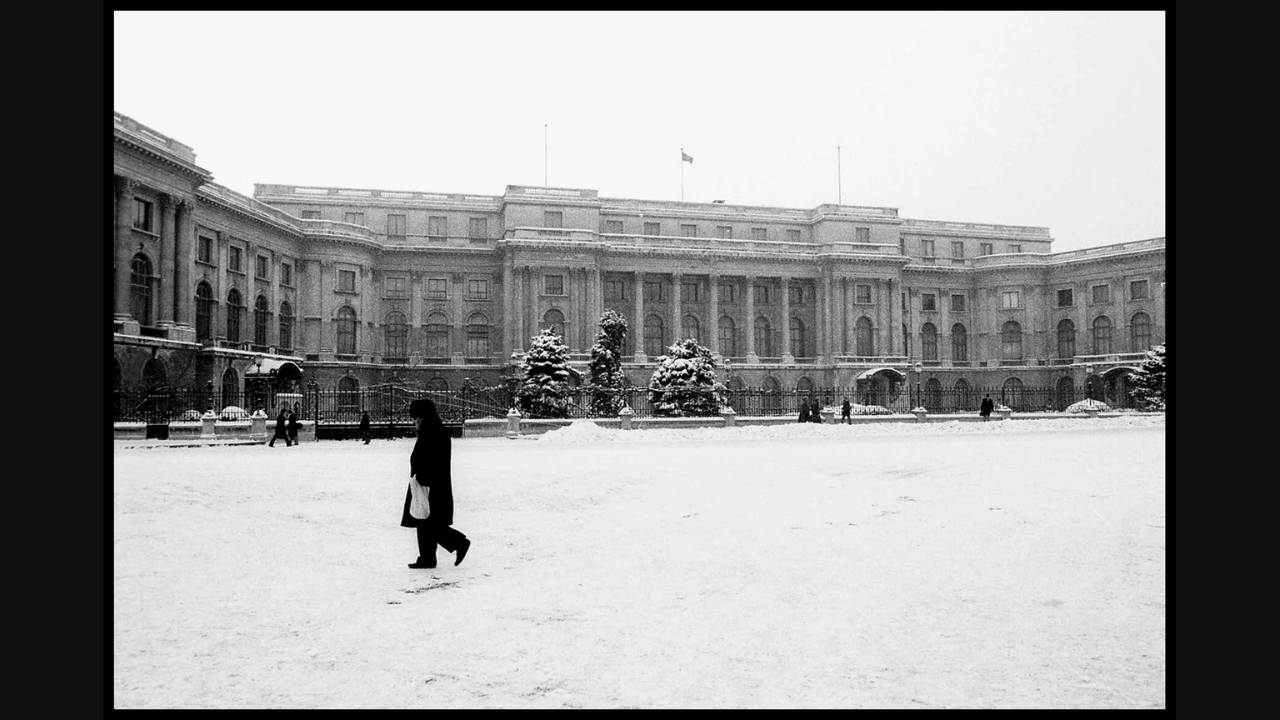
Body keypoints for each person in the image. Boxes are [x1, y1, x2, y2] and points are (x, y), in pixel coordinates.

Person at [401, 398, 471, 569]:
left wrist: (422, 477)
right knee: (424, 520)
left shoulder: (433, 432)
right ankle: (427, 558)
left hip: (430, 484)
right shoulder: (432, 429)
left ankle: (459, 542)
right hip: (428, 482)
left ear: (423, 416)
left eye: (416, 418)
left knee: (430, 523)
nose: (414, 421)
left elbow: (432, 459)